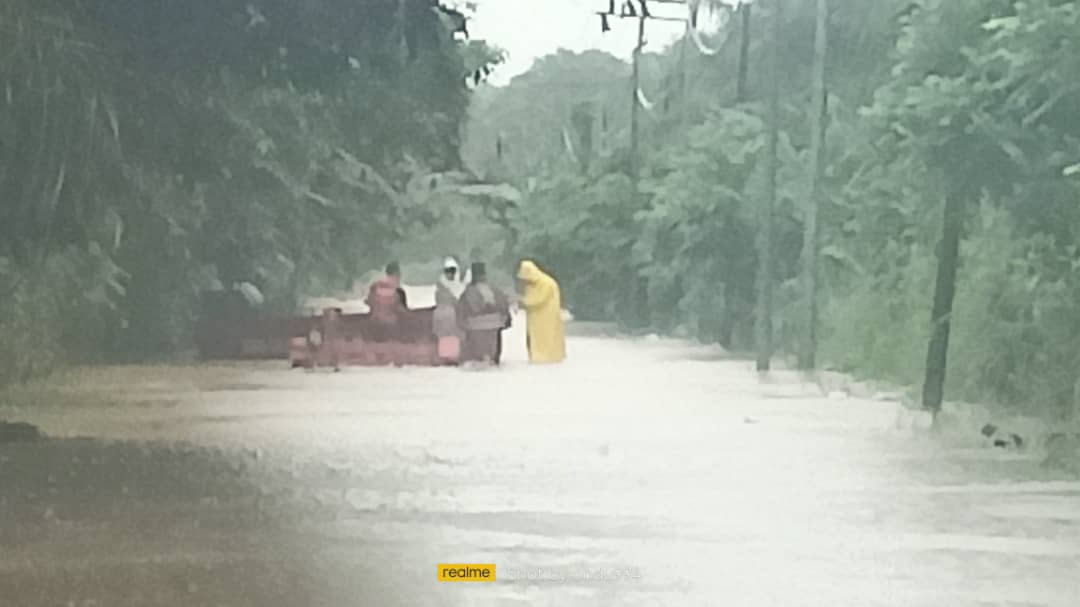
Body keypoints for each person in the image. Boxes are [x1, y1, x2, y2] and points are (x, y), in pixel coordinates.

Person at [457, 262, 511, 365]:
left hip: (475, 326)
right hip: (495, 324)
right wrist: (505, 320)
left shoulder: (468, 292)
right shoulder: (495, 290)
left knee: (476, 355)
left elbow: (462, 310)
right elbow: (504, 306)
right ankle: (492, 359)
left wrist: (461, 323)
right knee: (492, 353)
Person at [516, 259, 565, 363]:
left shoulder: (546, 283)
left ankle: (546, 359)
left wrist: (522, 301)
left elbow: (538, 299)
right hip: (535, 318)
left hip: (547, 318)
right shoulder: (531, 285)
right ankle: (536, 358)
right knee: (535, 339)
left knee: (547, 338)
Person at [433, 257, 465, 363]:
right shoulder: (442, 284)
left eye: (452, 271)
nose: (450, 273)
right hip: (446, 312)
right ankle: (447, 356)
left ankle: (449, 356)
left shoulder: (454, 284)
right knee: (445, 334)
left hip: (448, 312)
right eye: (449, 271)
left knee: (450, 334)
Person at [365, 261, 406, 341]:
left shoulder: (374, 287)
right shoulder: (398, 293)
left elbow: (369, 302)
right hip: (390, 326)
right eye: (399, 276)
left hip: (374, 324)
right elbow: (401, 311)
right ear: (397, 275)